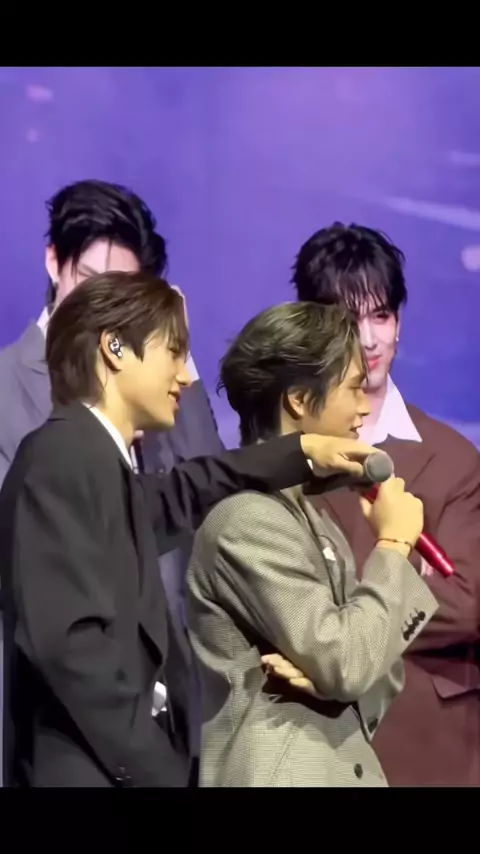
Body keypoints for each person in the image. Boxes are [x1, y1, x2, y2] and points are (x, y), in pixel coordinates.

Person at [0, 271, 382, 788]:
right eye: (174, 353)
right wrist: (160, 770)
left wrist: (302, 452)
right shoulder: (64, 456)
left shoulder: (95, 461)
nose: (184, 376)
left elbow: (185, 489)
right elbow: (72, 650)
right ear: (114, 348)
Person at [0, 179, 224, 781]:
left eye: (121, 290)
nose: (101, 304)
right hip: (58, 727)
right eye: (87, 278)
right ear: (54, 261)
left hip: (170, 714)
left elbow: (210, 508)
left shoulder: (165, 385)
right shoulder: (5, 390)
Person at [186, 301, 438, 788]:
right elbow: (349, 661)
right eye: (353, 388)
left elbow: (372, 666)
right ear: (300, 400)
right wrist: (392, 543)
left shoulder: (314, 519)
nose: (365, 406)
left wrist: (333, 683)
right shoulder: (247, 520)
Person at [291, 222, 480, 786]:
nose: (370, 340)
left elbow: (466, 603)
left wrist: (336, 613)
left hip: (430, 743)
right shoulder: (283, 458)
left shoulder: (452, 457)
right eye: (350, 320)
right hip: (316, 740)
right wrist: (403, 577)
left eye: (382, 316)